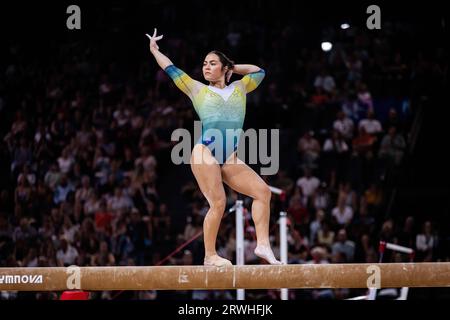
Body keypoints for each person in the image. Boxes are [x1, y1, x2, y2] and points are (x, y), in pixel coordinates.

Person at [147, 29, 280, 266]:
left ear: (224, 68)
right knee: (218, 203)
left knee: (263, 192)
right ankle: (210, 256)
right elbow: (171, 69)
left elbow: (260, 71)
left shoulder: (240, 88)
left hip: (229, 157)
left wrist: (232, 67)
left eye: (212, 63)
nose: (206, 67)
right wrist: (155, 50)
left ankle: (263, 245)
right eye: (204, 64)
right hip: (204, 152)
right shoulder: (197, 89)